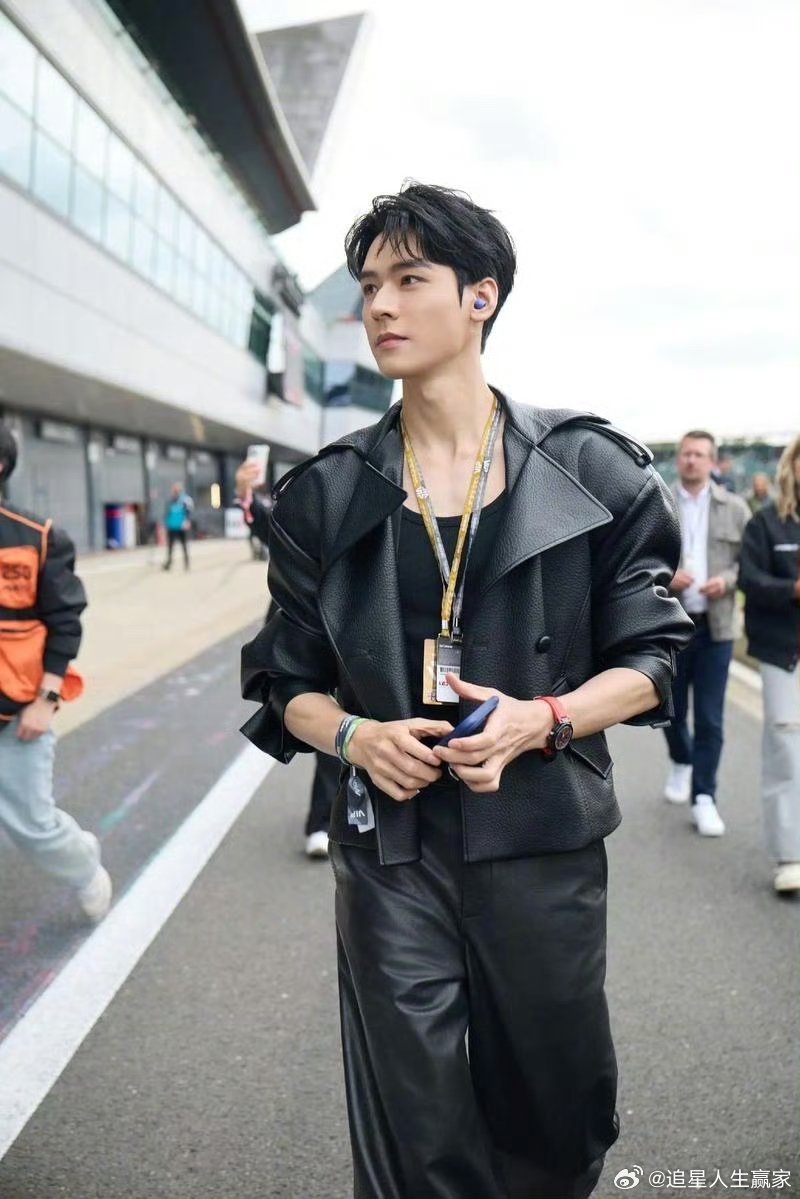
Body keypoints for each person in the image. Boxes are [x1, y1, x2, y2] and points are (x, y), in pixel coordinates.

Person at [240, 182, 692, 1199]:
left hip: (540, 833)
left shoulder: (590, 468)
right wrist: (355, 736)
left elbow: (654, 656)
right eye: (369, 285)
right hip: (391, 848)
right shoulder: (324, 493)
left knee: (555, 1112)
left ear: (480, 296)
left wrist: (543, 718)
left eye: (410, 279)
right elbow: (283, 681)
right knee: (416, 1129)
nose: (380, 305)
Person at [0, 425, 112, 922]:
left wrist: (45, 700)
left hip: (18, 710)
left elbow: (65, 624)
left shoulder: (39, 538)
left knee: (32, 824)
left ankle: (84, 866)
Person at [236, 457, 337, 859]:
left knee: (339, 730)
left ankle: (324, 822)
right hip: (299, 642)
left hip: (345, 642)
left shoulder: (360, 515)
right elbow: (265, 523)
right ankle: (324, 823)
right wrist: (245, 492)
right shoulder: (295, 523)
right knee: (325, 727)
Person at [662, 431, 751, 835]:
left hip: (717, 627)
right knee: (671, 712)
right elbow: (640, 558)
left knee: (711, 719)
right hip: (672, 625)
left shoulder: (736, 508)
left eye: (699, 454)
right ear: (679, 458)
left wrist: (727, 581)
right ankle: (681, 760)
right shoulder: (658, 502)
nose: (691, 460)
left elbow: (747, 563)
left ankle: (704, 797)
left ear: (712, 462)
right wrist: (667, 576)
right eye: (686, 453)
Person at [739, 435, 800, 895]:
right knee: (785, 749)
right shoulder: (766, 523)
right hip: (784, 651)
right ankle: (790, 855)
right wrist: (791, 590)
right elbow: (750, 579)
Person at [162, 481, 193, 571]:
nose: (175, 491)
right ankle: (169, 563)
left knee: (184, 546)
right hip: (172, 526)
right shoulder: (170, 501)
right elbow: (166, 513)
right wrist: (166, 524)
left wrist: (187, 521)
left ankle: (186, 564)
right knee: (170, 547)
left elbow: (188, 512)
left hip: (181, 527)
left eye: (177, 489)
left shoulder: (184, 500)